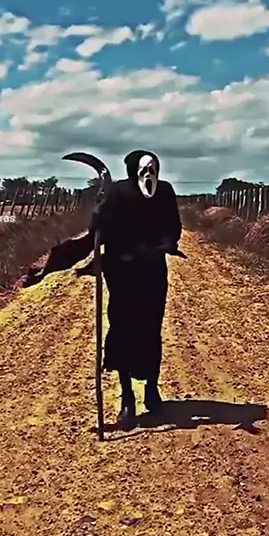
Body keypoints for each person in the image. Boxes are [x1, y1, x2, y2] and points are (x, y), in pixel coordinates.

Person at [89, 150, 182, 428]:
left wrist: (165, 242)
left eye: (153, 169)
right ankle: (127, 397)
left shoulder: (164, 191)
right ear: (133, 171)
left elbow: (174, 225)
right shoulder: (117, 192)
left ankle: (151, 390)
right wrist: (98, 215)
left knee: (151, 328)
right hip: (122, 272)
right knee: (123, 328)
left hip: (152, 270)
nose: (149, 175)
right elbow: (103, 230)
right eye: (143, 170)